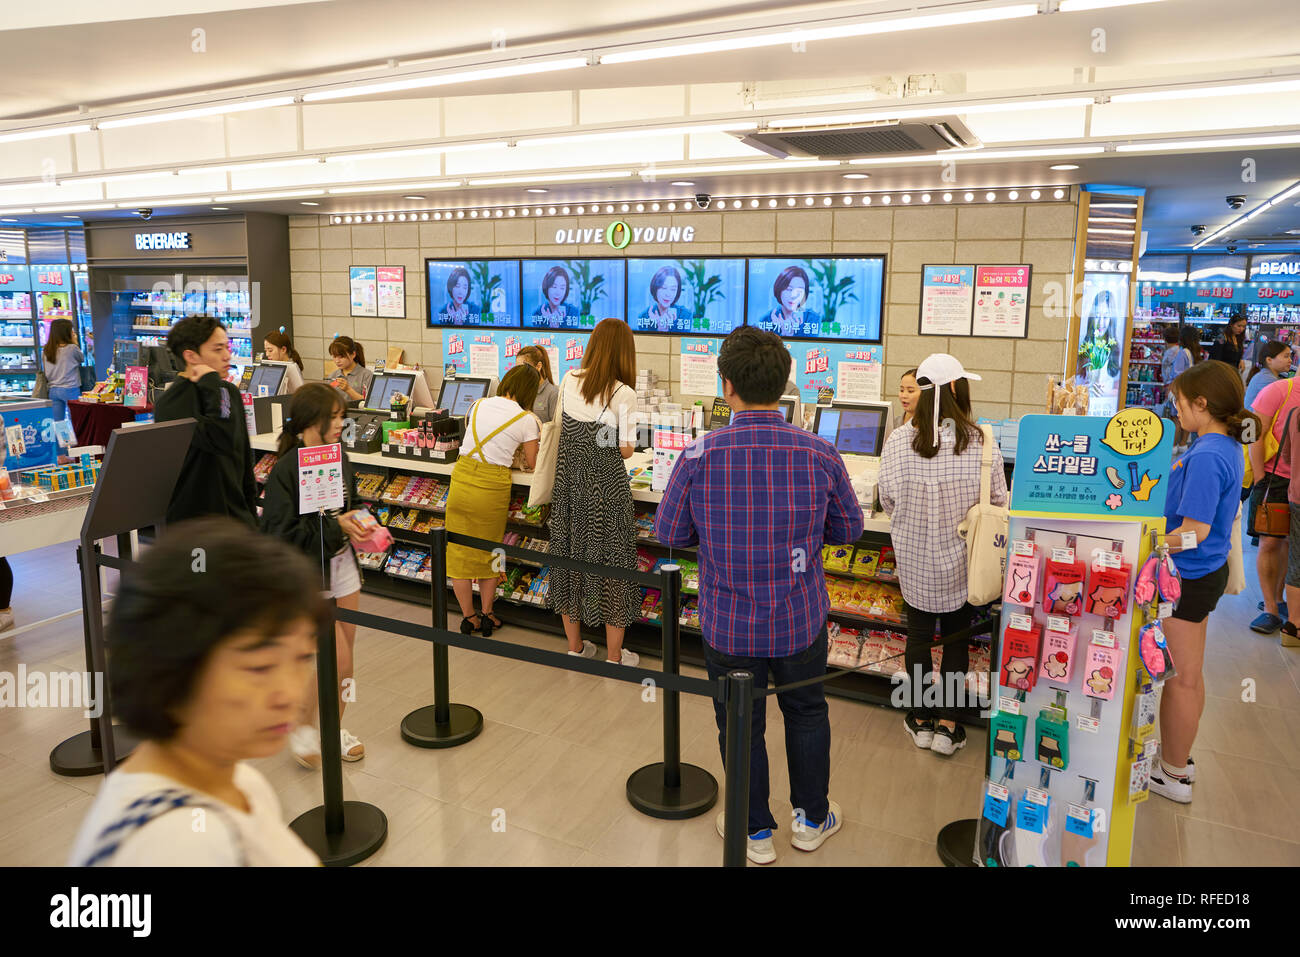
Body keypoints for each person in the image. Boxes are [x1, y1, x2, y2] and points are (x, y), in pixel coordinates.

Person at [656, 326, 862, 864]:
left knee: (739, 724)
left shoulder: (699, 454)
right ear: (785, 382)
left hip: (730, 623)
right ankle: (811, 821)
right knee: (808, 712)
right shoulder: (820, 451)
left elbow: (670, 535)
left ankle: (754, 832)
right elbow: (849, 530)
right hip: (800, 618)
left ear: (727, 385)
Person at [67, 519, 322, 866]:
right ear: (171, 668)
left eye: (304, 658)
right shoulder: (175, 845)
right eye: (259, 666)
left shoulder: (237, 778)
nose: (289, 694)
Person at [878, 354, 1008, 757]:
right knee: (955, 641)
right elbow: (1000, 501)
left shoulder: (901, 439)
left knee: (917, 637)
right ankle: (949, 725)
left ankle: (919, 718)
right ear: (955, 389)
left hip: (915, 558)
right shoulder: (983, 440)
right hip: (964, 562)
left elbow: (887, 499)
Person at [1149, 361, 1260, 804]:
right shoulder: (1222, 446)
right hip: (1202, 576)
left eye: (1179, 401)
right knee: (1189, 674)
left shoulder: (1210, 455)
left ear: (1202, 403)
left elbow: (1194, 532)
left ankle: (1173, 772)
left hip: (1188, 579)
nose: (1175, 410)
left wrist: (1149, 543)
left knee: (1181, 677)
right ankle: (1179, 758)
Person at [260, 383, 372, 767]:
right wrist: (338, 526)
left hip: (342, 568)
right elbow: (280, 536)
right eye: (335, 416)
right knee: (338, 661)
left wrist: (360, 522)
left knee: (341, 662)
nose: (343, 423)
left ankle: (326, 729)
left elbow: (349, 503)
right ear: (311, 421)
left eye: (343, 415)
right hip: (308, 576)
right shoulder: (286, 471)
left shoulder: (338, 455)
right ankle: (311, 728)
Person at [547, 317, 641, 665]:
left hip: (570, 489)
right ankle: (614, 656)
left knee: (569, 562)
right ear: (624, 353)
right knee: (615, 568)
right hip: (607, 491)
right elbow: (628, 449)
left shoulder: (569, 379)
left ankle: (575, 648)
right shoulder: (623, 393)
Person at [446, 364, 541, 636]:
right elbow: (533, 462)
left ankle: (469, 618)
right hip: (492, 486)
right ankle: (488, 614)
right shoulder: (527, 419)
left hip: (462, 477)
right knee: (492, 551)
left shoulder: (478, 404)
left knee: (459, 552)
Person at [154, 317, 259, 528]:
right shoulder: (172, 402)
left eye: (227, 347)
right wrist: (210, 381)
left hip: (237, 519)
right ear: (191, 355)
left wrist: (252, 515)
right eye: (218, 349)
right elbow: (219, 438)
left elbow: (243, 457)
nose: (227, 355)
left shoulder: (227, 392)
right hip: (195, 524)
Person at [1247, 371, 1300, 633]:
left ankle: (1282, 601)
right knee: (1270, 541)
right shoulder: (1280, 390)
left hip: (1296, 482)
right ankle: (1270, 607)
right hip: (1275, 477)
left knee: (1293, 544)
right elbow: (1254, 432)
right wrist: (1259, 476)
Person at [43, 318, 83, 421]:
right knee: (75, 420)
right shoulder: (72, 348)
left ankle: (59, 438)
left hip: (53, 389)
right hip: (70, 388)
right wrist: (75, 342)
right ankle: (74, 438)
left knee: (57, 422)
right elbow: (81, 359)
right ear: (66, 332)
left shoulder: (47, 349)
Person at [761, 265, 820, 336]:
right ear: (779, 289)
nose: (793, 295)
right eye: (789, 289)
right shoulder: (767, 319)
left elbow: (811, 346)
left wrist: (790, 335)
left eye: (799, 291)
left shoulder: (812, 318)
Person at [516, 345, 559, 423]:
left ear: (538, 366)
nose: (519, 373)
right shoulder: (520, 392)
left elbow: (555, 428)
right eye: (517, 368)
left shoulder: (553, 393)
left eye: (523, 368)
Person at [1244, 340, 1292, 409]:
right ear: (1269, 360)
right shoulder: (1266, 379)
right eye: (1286, 356)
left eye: (1290, 356)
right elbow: (1288, 401)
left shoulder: (1265, 375)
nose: (1290, 360)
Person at [637, 265, 683, 333]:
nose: (668, 294)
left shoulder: (685, 314)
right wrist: (659, 328)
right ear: (655, 288)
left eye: (673, 289)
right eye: (663, 288)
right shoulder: (644, 316)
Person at [327, 335, 373, 402]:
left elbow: (369, 403)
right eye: (334, 357)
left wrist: (348, 390)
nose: (337, 361)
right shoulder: (333, 376)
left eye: (341, 357)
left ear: (353, 354)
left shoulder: (366, 375)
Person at [263, 329, 305, 394]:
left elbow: (301, 395)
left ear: (283, 349)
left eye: (270, 350)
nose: (267, 354)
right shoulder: (272, 366)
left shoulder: (291, 368)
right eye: (266, 350)